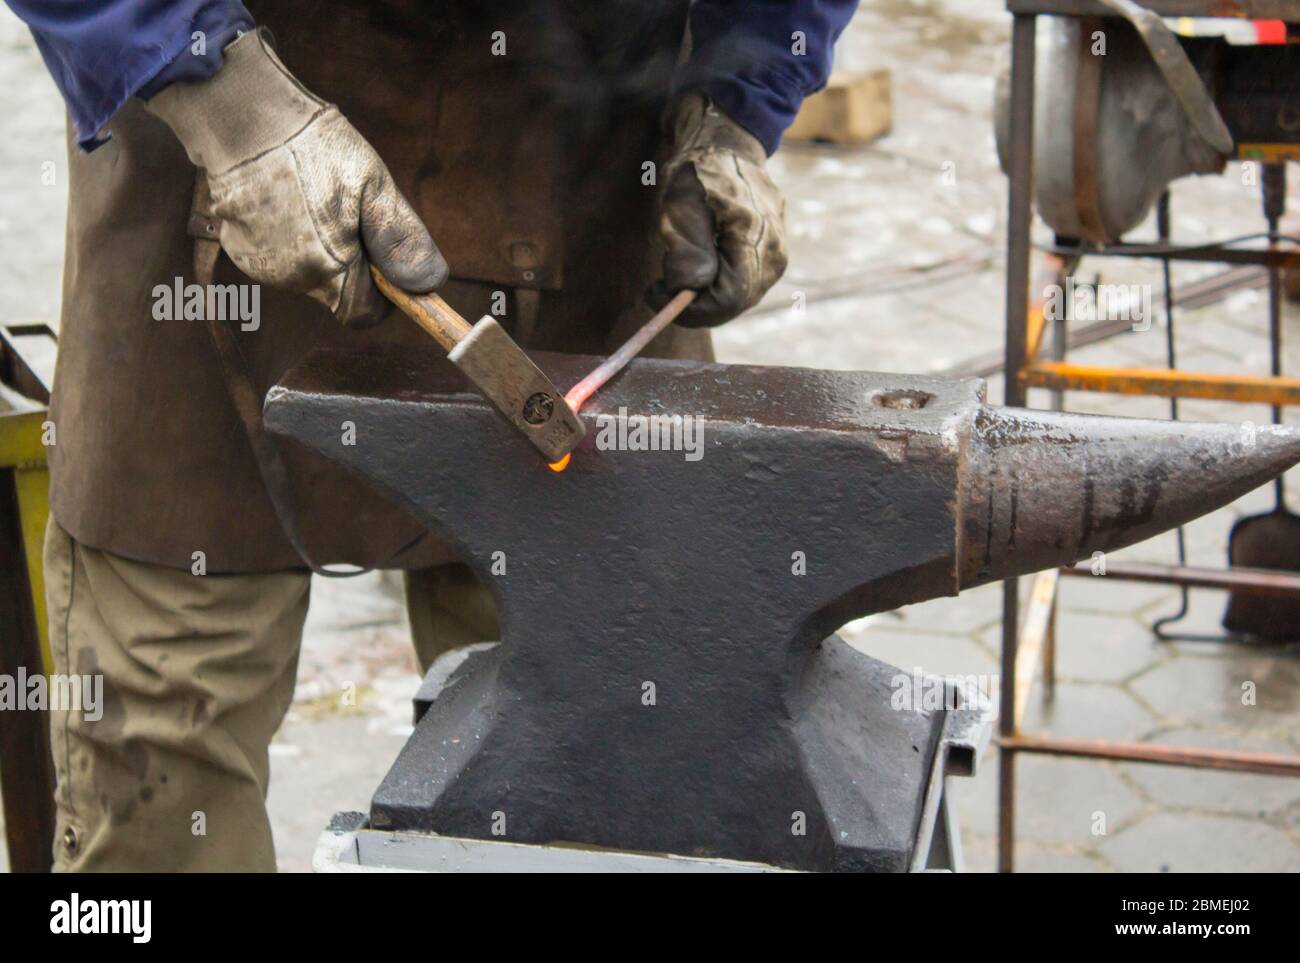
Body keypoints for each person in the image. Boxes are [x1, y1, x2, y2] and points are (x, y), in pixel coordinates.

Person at [5, 0, 859, 870]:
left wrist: (735, 108)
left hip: (599, 207)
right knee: (164, 788)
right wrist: (229, 106)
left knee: (595, 781)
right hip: (201, 195)